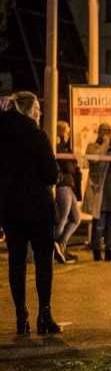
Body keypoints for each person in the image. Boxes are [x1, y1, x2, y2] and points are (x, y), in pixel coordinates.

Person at [0, 91, 61, 334]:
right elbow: (51, 174)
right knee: (43, 261)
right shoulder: (36, 135)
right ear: (28, 110)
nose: (39, 113)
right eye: (37, 109)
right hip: (37, 207)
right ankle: (44, 315)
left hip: (10, 208)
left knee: (16, 261)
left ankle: (20, 316)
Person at [84, 123, 111, 261]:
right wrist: (104, 146)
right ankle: (96, 251)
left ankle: (109, 251)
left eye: (109, 130)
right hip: (100, 192)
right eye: (103, 131)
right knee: (99, 223)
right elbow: (94, 158)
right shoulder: (92, 146)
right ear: (98, 132)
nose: (107, 133)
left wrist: (110, 150)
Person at [53, 121, 82, 263]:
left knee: (76, 218)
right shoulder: (57, 146)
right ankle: (53, 246)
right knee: (62, 219)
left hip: (69, 185)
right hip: (63, 185)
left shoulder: (65, 147)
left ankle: (61, 244)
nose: (69, 135)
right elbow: (68, 167)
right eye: (67, 132)